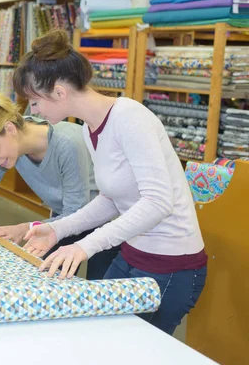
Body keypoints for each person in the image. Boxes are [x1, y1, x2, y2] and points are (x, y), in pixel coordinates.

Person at [16, 29, 207, 335]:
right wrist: (57, 229)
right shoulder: (88, 129)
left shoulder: (130, 118)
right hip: (133, 254)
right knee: (95, 333)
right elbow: (110, 199)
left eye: (34, 102)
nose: (33, 111)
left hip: (171, 265)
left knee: (129, 352)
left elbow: (158, 202)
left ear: (60, 92)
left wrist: (84, 246)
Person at [0, 91, 119, 280]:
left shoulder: (66, 144)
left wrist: (24, 228)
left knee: (101, 287)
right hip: (64, 216)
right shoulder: (3, 145)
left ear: (10, 129)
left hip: (107, 220)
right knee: (40, 277)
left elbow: (76, 213)